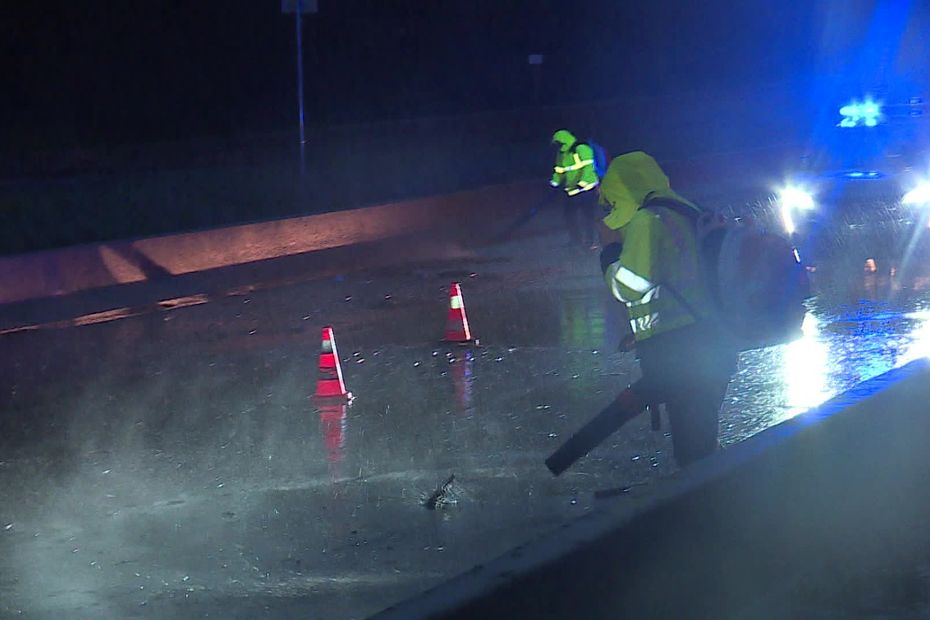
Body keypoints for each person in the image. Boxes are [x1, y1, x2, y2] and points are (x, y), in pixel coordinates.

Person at [596, 151, 738, 467]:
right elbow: (680, 282)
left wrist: (609, 254)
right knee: (702, 441)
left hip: (681, 353)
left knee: (694, 456)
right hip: (713, 344)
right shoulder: (688, 211)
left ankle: (711, 508)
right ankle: (720, 495)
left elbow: (629, 286)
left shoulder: (649, 221)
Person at [550, 129, 600, 250]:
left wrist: (582, 183)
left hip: (587, 189)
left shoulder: (581, 148)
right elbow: (559, 170)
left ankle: (590, 241)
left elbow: (588, 167)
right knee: (569, 216)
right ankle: (575, 240)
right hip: (572, 190)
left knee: (588, 216)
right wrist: (554, 183)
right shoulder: (561, 154)